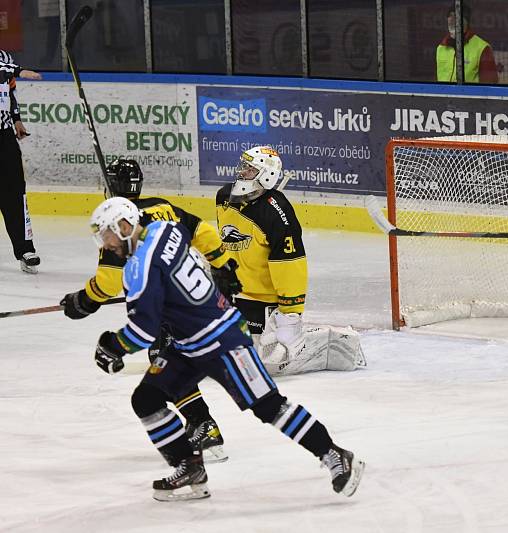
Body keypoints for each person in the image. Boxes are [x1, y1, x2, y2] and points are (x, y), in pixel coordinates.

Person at [88, 196, 365, 501]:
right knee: (147, 399)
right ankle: (189, 467)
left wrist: (112, 345)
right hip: (190, 344)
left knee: (269, 406)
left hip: (222, 340)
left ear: (125, 226)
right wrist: (220, 263)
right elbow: (194, 229)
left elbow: (143, 331)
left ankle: (334, 454)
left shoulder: (139, 269)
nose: (106, 244)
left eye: (108, 235)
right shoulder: (165, 229)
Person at [61, 159, 240, 462]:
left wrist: (84, 300)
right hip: (185, 297)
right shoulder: (162, 207)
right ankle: (202, 423)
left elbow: (108, 283)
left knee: (164, 364)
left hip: (156, 306)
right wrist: (223, 265)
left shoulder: (117, 229)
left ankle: (204, 425)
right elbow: (203, 231)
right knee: (171, 361)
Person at [215, 146, 366, 376]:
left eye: (249, 168)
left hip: (265, 306)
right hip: (235, 296)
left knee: (265, 366)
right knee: (215, 355)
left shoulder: (277, 212)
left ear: (266, 174)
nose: (241, 172)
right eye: (243, 166)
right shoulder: (224, 197)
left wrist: (290, 314)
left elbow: (290, 264)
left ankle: (325, 343)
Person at [0, 51, 42, 273]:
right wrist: (17, 70)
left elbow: (10, 90)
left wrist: (16, 118)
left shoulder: (5, 58)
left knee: (15, 193)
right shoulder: (6, 65)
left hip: (4, 135)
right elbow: (6, 71)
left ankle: (25, 249)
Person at [436, 5, 498, 84]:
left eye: (456, 16)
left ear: (466, 21)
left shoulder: (482, 48)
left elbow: (489, 87)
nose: (452, 20)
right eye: (450, 16)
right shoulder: (441, 48)